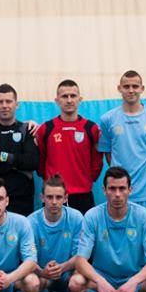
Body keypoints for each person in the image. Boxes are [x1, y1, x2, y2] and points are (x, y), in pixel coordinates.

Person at [97, 70, 146, 231]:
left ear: (142, 88)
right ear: (119, 88)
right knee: (124, 239)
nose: (131, 90)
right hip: (120, 194)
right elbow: (108, 153)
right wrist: (120, 177)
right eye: (126, 86)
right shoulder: (108, 119)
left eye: (135, 86)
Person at [35, 79, 103, 215]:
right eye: (64, 96)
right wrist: (50, 181)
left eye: (73, 96)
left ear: (80, 99)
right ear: (57, 100)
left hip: (83, 194)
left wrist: (87, 180)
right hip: (54, 195)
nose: (69, 100)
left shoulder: (91, 128)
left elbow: (97, 160)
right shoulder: (46, 128)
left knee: (83, 229)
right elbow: (40, 161)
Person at [26, 175, 84, 292]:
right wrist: (42, 271)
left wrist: (62, 267)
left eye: (58, 197)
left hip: (67, 272)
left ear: (65, 198)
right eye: (49, 197)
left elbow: (80, 255)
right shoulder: (30, 222)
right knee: (31, 279)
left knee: (80, 274)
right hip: (42, 273)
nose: (54, 201)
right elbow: (28, 259)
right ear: (42, 198)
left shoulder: (76, 218)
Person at [0, 83, 40, 217]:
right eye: (0, 102)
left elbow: (32, 162)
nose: (4, 105)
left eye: (9, 101)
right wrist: (17, 164)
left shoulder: (27, 129)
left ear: (17, 104)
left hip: (22, 198)